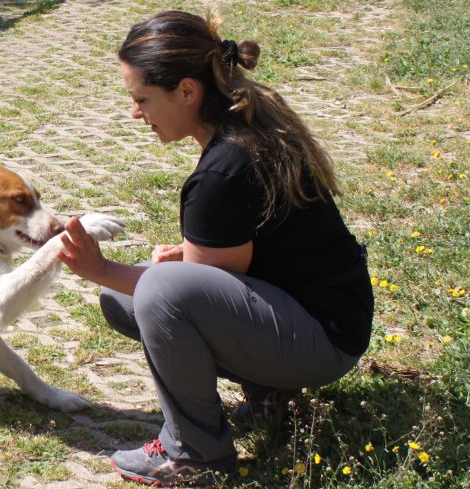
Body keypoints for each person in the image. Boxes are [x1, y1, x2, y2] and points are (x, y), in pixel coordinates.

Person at [56, 10, 374, 487]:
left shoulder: (223, 169)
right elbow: (244, 259)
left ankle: (195, 453)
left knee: (158, 293)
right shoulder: (244, 129)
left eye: (141, 98)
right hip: (324, 319)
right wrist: (187, 260)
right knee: (128, 298)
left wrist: (97, 266)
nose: (134, 113)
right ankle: (270, 394)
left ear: (187, 91)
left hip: (323, 341)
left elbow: (200, 288)